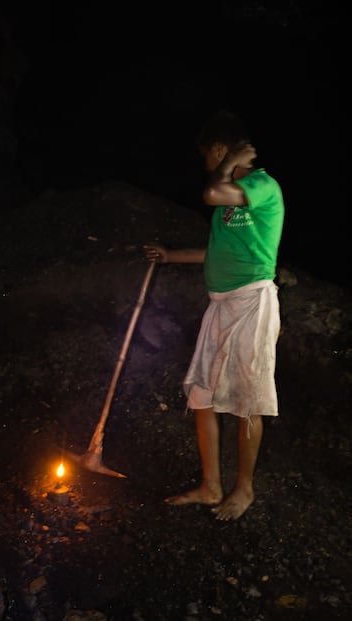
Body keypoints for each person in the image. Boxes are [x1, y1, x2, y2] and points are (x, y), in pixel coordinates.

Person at [144, 109, 285, 521]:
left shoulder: (262, 185)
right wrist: (170, 256)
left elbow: (210, 193)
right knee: (202, 396)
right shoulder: (229, 206)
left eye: (209, 154)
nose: (206, 163)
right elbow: (215, 252)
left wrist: (226, 163)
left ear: (220, 149)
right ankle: (211, 486)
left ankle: (244, 489)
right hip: (221, 305)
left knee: (248, 402)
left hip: (252, 301)